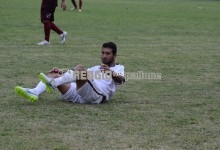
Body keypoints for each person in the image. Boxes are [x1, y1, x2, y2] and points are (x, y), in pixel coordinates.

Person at [15, 42, 125, 104]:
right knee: (55, 74)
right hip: (80, 94)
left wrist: (110, 72)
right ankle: (34, 91)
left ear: (114, 55)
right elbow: (77, 74)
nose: (104, 56)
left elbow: (122, 80)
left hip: (96, 96)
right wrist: (61, 72)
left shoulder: (118, 68)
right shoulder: (97, 67)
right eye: (102, 53)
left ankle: (53, 83)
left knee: (80, 68)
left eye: (108, 53)